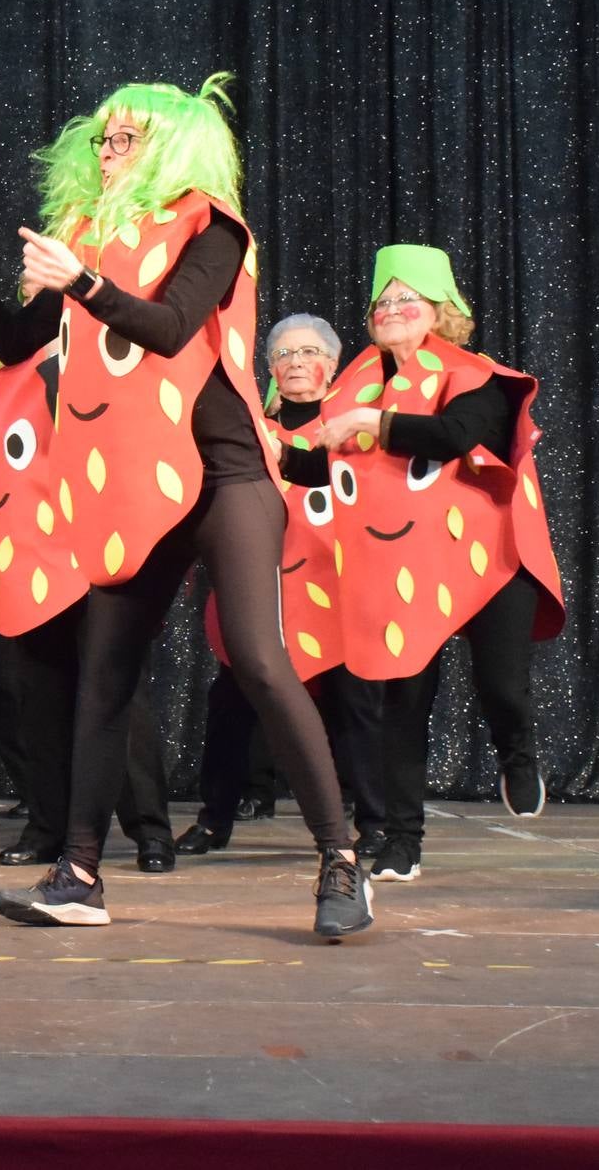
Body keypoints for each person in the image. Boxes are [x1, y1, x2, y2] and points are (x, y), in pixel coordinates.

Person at [0, 76, 372, 938]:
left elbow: (168, 327)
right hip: (131, 485)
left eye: (125, 140)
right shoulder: (85, 233)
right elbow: (20, 343)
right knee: (103, 677)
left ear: (171, 144)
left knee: (258, 657)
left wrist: (83, 281)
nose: (106, 152)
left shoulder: (212, 224)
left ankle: (340, 859)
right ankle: (79, 874)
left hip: (226, 471)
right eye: (100, 140)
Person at [313, 244, 566, 884]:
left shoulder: (473, 374)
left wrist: (373, 420)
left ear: (441, 312)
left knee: (502, 686)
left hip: (486, 559)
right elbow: (319, 460)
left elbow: (455, 435)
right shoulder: (352, 386)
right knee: (402, 702)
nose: (391, 310)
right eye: (383, 301)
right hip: (402, 560)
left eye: (407, 300)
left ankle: (517, 752)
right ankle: (402, 840)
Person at [0, 328, 175, 874]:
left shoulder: (82, 358)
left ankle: (150, 833)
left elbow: (89, 414)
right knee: (41, 703)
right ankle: (49, 827)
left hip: (87, 552)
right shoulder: (0, 380)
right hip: (28, 563)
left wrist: (52, 352)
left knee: (118, 699)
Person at [179, 314, 387, 858]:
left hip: (334, 594)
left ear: (333, 365)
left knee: (353, 707)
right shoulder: (249, 431)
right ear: (269, 368)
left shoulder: (351, 430)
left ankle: (374, 822)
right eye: (284, 355)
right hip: (261, 591)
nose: (296, 363)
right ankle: (214, 818)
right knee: (230, 704)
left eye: (309, 352)